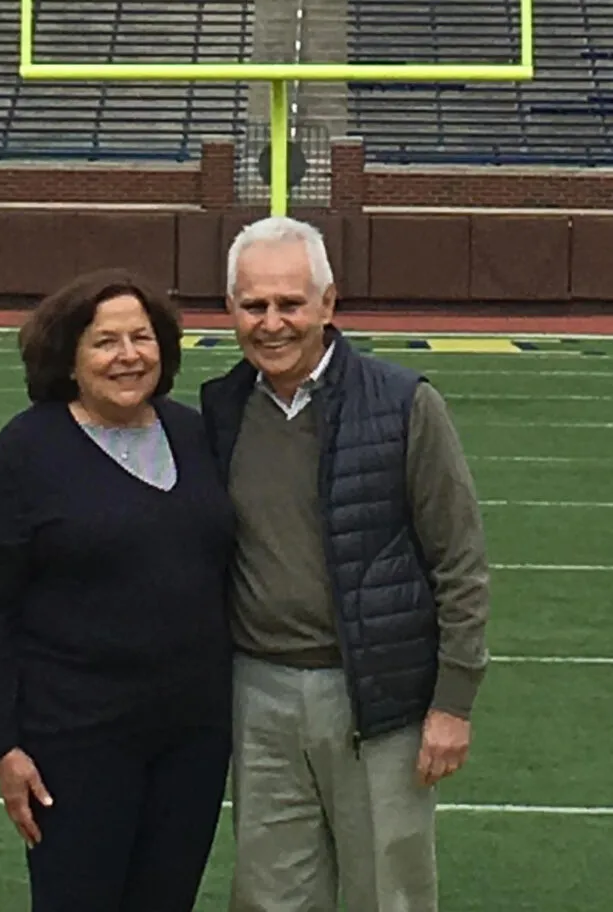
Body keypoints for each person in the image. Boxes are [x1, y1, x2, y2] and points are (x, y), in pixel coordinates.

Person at [200, 217, 491, 912]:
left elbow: (459, 559)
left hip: (375, 696)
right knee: (269, 895)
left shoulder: (404, 405)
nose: (271, 323)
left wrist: (452, 702)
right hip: (257, 691)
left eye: (290, 303)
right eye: (253, 305)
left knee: (385, 894)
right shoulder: (222, 406)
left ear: (328, 304)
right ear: (230, 309)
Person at [0, 268, 235, 912]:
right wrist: (2, 741)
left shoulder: (195, 434)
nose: (128, 354)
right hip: (77, 740)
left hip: (191, 738)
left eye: (141, 337)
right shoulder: (28, 449)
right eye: (105, 341)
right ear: (70, 356)